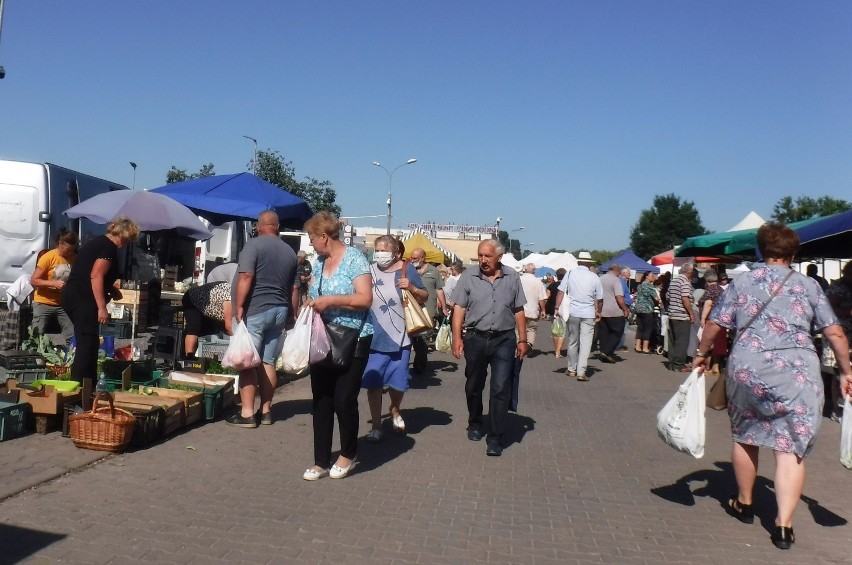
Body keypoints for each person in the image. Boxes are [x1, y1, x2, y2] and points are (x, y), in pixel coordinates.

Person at [693, 223, 852, 550]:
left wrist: (701, 355)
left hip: (749, 368)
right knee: (789, 448)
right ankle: (783, 526)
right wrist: (847, 371)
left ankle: (745, 503)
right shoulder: (808, 286)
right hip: (798, 375)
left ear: (761, 251)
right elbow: (834, 331)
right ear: (794, 253)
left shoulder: (742, 283)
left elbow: (714, 325)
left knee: (745, 437)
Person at [302, 212, 372, 481]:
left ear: (324, 236)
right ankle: (321, 460)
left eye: (311, 238)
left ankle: (348, 453)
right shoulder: (319, 262)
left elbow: (365, 299)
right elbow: (315, 293)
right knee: (321, 399)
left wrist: (330, 300)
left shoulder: (354, 259)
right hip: (323, 336)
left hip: (354, 337)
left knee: (344, 399)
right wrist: (312, 303)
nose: (310, 244)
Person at [451, 240, 528, 457]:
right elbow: (458, 309)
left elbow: (519, 309)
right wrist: (457, 338)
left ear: (499, 257)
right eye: (480, 256)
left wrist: (523, 340)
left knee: (501, 387)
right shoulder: (469, 276)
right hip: (475, 338)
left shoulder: (512, 277)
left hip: (504, 340)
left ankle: (495, 437)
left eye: (488, 256)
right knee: (474, 384)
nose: (483, 260)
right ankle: (475, 422)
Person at [226, 211, 297, 429]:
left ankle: (247, 414)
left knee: (247, 363)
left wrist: (238, 305)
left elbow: (246, 275)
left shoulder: (253, 246)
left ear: (258, 226)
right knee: (267, 362)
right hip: (279, 312)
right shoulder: (290, 252)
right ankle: (265, 411)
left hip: (255, 310)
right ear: (277, 226)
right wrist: (291, 313)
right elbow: (294, 287)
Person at [63, 217, 139, 397]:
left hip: (75, 295)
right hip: (83, 300)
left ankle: (89, 390)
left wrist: (111, 289)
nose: (126, 244)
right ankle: (78, 393)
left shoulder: (98, 242)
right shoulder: (109, 248)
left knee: (90, 345)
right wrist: (101, 307)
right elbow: (95, 276)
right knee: (86, 346)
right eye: (127, 240)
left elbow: (88, 272)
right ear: (122, 235)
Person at [362, 235, 427, 443]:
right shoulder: (368, 271)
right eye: (377, 249)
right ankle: (376, 425)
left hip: (401, 336)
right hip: (373, 336)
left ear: (395, 252)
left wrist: (412, 287)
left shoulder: (407, 270)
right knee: (373, 384)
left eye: (384, 250)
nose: (379, 253)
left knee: (398, 383)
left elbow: (425, 295)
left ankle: (394, 409)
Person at [554, 253, 603, 380]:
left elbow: (561, 291)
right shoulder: (595, 277)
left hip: (573, 312)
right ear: (589, 264)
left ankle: (571, 369)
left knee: (572, 341)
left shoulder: (570, 274)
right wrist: (598, 311)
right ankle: (581, 372)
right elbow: (599, 298)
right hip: (588, 313)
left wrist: (556, 307)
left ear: (578, 262)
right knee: (586, 343)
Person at [31, 228, 78, 344]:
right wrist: (53, 283)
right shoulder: (48, 257)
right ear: (60, 244)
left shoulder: (74, 258)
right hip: (43, 302)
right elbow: (34, 280)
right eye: (67, 250)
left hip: (62, 303)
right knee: (37, 334)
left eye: (72, 250)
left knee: (71, 333)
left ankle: (70, 357)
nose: (69, 253)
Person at [409, 247, 445, 374]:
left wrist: (444, 307)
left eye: (415, 258)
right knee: (409, 338)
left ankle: (419, 364)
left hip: (427, 310)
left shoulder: (433, 271)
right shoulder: (408, 269)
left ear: (423, 258)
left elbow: (439, 290)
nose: (412, 260)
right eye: (412, 258)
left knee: (422, 339)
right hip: (410, 309)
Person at [825, 262, 852, 420]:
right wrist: (849, 312)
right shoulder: (837, 288)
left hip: (849, 336)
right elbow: (830, 309)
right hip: (839, 335)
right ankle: (835, 408)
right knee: (838, 373)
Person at [181, 280, 232, 358]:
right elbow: (229, 327)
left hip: (209, 305)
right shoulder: (229, 298)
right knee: (194, 328)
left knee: (206, 332)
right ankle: (189, 359)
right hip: (192, 299)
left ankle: (202, 359)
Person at [597, 263, 629, 364]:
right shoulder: (616, 280)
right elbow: (619, 297)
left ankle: (604, 352)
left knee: (604, 333)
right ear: (618, 271)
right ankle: (607, 351)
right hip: (614, 311)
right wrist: (625, 309)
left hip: (602, 310)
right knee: (617, 332)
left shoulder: (600, 279)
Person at [696, 269, 727, 374]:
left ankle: (707, 367)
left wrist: (703, 319)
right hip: (721, 321)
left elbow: (708, 304)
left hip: (711, 321)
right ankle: (716, 367)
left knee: (707, 344)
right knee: (717, 345)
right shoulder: (722, 290)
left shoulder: (711, 290)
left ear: (706, 280)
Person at [666, 263, 695, 371]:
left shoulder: (674, 281)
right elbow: (685, 298)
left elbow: (667, 296)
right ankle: (678, 364)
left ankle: (672, 362)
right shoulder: (685, 282)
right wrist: (691, 313)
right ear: (690, 272)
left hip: (672, 314)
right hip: (682, 315)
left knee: (673, 339)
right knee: (682, 341)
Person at [518, 263, 547, 355]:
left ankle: (519, 345)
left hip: (519, 310)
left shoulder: (519, 280)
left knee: (518, 328)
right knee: (531, 329)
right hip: (533, 310)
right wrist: (543, 310)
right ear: (534, 271)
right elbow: (541, 298)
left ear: (525, 270)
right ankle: (529, 344)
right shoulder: (538, 282)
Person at [633, 271, 659, 354]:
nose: (653, 277)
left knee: (640, 328)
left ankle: (637, 346)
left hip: (639, 309)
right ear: (647, 277)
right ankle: (645, 348)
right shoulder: (650, 287)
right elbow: (657, 298)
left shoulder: (640, 286)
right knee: (648, 328)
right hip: (647, 309)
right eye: (652, 275)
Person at [548, 268, 567, 357]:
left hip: (553, 310)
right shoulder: (567, 286)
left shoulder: (552, 285)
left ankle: (556, 349)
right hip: (564, 309)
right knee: (562, 332)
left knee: (555, 331)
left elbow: (547, 296)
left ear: (556, 275)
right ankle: (558, 351)